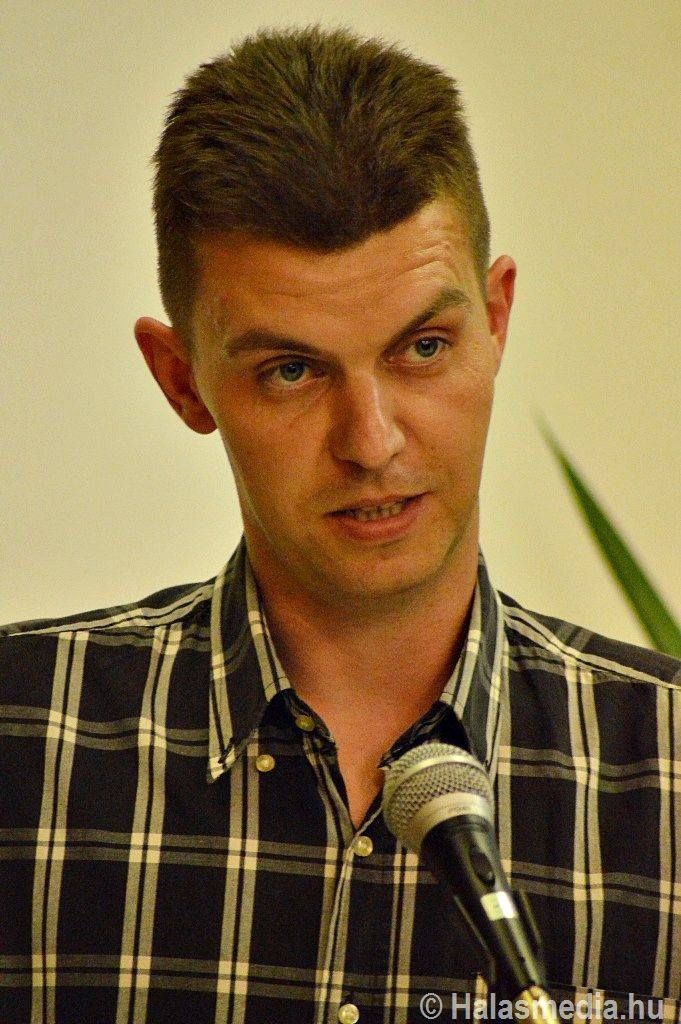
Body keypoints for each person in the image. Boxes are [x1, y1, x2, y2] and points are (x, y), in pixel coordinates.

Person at [1, 24, 679, 1024]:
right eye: (291, 370)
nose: (371, 441)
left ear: (496, 321)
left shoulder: (668, 766)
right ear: (182, 380)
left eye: (423, 347)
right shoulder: (20, 742)